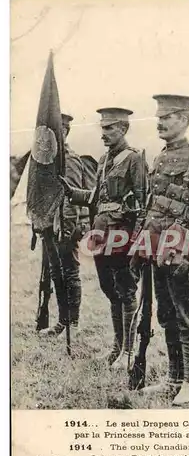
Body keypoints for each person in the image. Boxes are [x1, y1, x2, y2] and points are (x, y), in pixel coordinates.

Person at [140, 94, 189, 406]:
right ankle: (172, 380)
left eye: (169, 116)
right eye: (159, 116)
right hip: (159, 250)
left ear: (186, 120)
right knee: (166, 315)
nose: (160, 121)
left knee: (187, 317)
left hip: (183, 254)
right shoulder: (160, 158)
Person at [60, 108, 146, 371]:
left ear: (124, 129)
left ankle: (129, 352)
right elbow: (97, 197)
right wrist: (71, 191)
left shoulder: (134, 159)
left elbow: (143, 203)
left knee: (127, 291)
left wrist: (136, 241)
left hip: (122, 235)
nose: (104, 134)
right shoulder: (103, 160)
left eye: (109, 128)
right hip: (101, 235)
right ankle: (117, 348)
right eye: (103, 128)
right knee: (111, 291)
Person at [44, 113, 91, 335]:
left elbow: (70, 197)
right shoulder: (47, 159)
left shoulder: (69, 158)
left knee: (69, 272)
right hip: (49, 225)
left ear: (64, 132)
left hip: (65, 225)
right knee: (56, 273)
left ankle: (73, 323)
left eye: (57, 130)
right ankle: (63, 321)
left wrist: (67, 228)